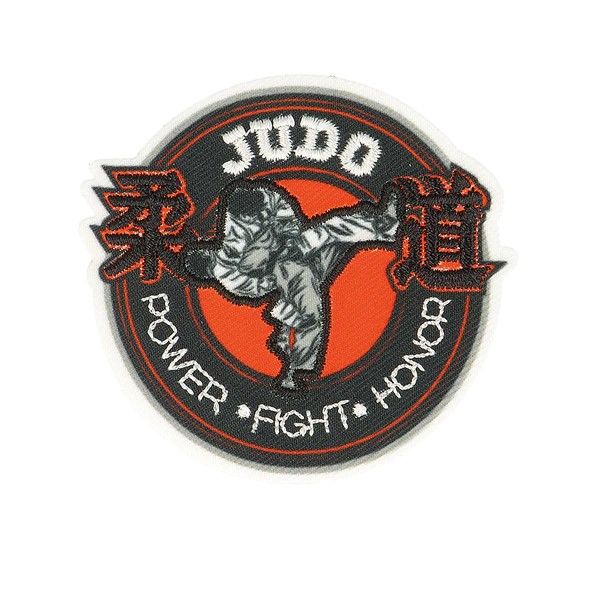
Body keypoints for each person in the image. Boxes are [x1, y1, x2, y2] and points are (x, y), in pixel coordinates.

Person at [186, 178, 403, 389]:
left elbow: (285, 211)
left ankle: (387, 226)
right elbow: (255, 288)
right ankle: (297, 368)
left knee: (333, 227)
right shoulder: (227, 263)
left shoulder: (263, 197)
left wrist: (293, 240)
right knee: (310, 311)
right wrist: (277, 276)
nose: (258, 217)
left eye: (259, 211)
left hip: (297, 246)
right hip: (285, 269)